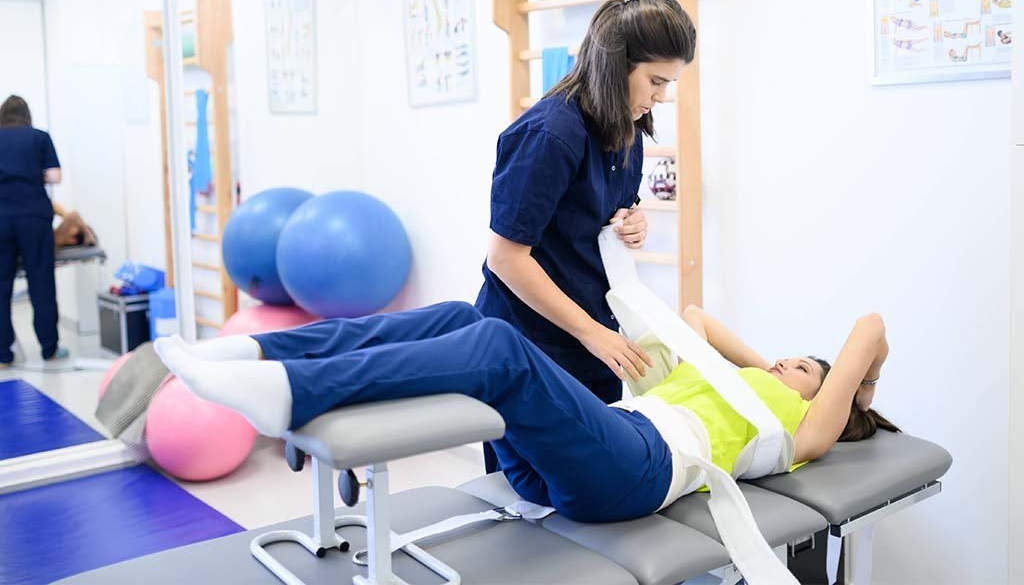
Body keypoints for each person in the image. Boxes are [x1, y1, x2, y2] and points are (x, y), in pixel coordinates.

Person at [153, 301, 896, 525]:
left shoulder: (803, 434)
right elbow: (697, 318)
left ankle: (294, 391)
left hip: (635, 473)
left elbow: (868, 328)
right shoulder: (748, 385)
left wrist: (856, 390)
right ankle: (261, 355)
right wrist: (764, 363)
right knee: (455, 314)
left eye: (802, 366)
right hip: (576, 464)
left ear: (827, 396)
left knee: (498, 348)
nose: (781, 364)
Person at [473, 0, 696, 479]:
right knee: (527, 495)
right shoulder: (550, 135)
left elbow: (603, 208)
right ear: (617, 66)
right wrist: (593, 334)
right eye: (656, 81)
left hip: (590, 334)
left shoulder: (628, 124)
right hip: (529, 339)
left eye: (669, 83)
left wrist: (630, 219)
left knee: (589, 481)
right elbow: (506, 259)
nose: (662, 96)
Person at [0, 95, 67, 367]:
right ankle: (49, 349)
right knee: (41, 282)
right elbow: (55, 176)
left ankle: (3, 355)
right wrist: (32, 173)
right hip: (34, 218)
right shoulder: (39, 137)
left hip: (1, 219)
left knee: (1, 287)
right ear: (26, 115)